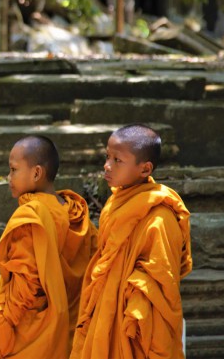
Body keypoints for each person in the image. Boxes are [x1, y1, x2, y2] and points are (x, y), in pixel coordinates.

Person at [70, 124, 192, 359]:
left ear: (145, 168)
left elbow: (161, 285)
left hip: (135, 327)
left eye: (118, 160)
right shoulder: (115, 204)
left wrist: (131, 308)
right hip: (105, 313)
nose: (107, 166)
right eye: (107, 157)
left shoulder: (159, 219)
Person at [0, 135, 98, 359]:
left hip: (30, 335)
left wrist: (0, 337)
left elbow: (25, 286)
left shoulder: (32, 216)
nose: (9, 177)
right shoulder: (79, 216)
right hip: (70, 334)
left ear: (36, 173)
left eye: (14, 170)